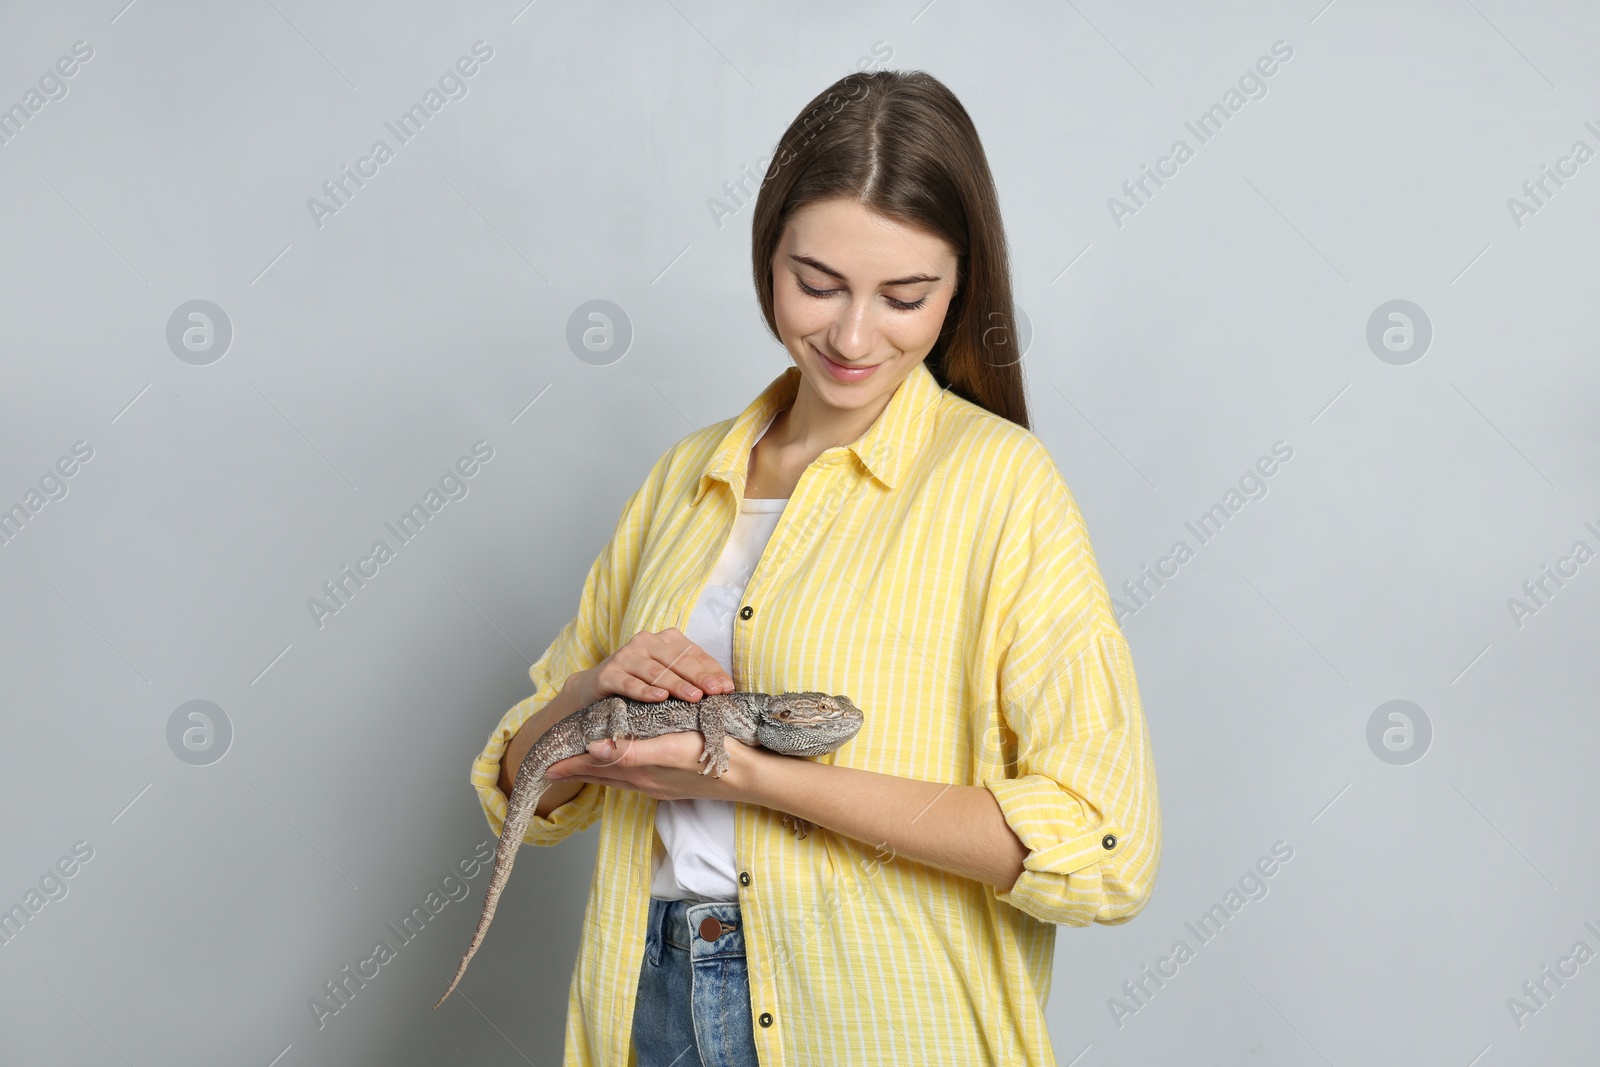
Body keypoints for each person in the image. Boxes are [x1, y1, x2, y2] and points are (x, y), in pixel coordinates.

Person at [469, 68, 1162, 1066]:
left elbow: (1104, 846)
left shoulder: (1002, 486)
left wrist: (755, 778)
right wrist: (588, 691)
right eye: (818, 283)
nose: (849, 334)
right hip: (648, 997)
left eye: (903, 295)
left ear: (961, 281)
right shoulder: (681, 479)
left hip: (880, 1019)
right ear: (766, 253)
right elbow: (519, 782)